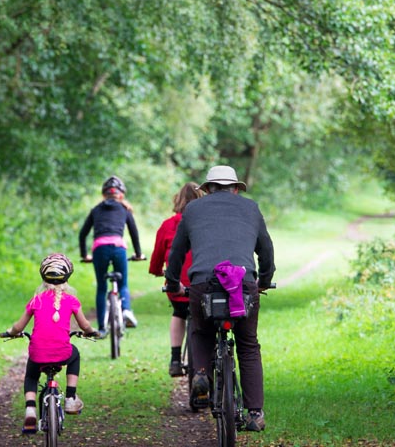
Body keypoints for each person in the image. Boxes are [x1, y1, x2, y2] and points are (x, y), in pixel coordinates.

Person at [165, 165, 275, 432]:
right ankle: (254, 413)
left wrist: (172, 283)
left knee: (201, 333)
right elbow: (266, 249)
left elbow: (177, 252)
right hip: (243, 284)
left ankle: (201, 374)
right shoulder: (250, 208)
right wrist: (262, 281)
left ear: (208, 189)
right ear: (236, 188)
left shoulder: (192, 210)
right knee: (248, 345)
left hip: (203, 283)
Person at [3, 253, 99, 434]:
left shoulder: (36, 300)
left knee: (31, 376)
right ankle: (71, 397)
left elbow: (18, 326)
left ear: (44, 278)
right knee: (75, 354)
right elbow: (84, 325)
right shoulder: (71, 301)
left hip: (38, 353)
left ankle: (30, 409)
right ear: (67, 278)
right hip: (63, 353)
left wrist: (10, 332)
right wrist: (90, 331)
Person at [148, 181, 202, 376]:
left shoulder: (168, 225)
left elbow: (157, 256)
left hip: (176, 283)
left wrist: (156, 271)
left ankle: (175, 359)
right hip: (202, 283)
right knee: (205, 318)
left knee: (179, 313)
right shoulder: (205, 223)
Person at [79, 175, 145, 335]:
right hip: (118, 248)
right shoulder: (125, 209)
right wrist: (138, 254)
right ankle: (126, 310)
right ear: (121, 195)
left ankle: (101, 328)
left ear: (103, 195)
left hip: (100, 248)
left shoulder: (96, 210)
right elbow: (134, 233)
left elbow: (82, 234)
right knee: (123, 284)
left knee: (102, 288)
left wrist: (85, 255)